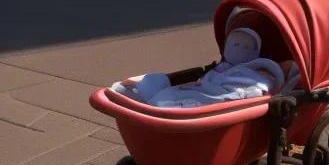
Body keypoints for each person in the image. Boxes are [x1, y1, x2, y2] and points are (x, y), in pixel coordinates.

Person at [112, 28, 285, 108]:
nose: (238, 49)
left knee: (176, 99)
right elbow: (206, 76)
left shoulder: (260, 73)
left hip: (216, 97)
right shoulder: (221, 67)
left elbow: (247, 93)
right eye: (234, 44)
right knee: (168, 86)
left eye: (246, 47)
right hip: (202, 88)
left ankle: (154, 102)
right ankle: (141, 89)